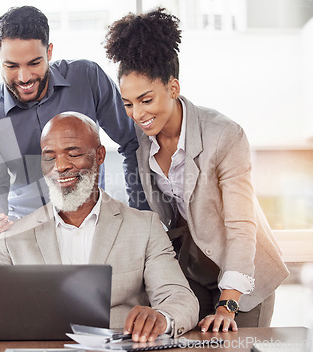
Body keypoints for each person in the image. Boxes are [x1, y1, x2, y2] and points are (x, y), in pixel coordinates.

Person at [103, 8, 288, 333]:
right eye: (128, 103)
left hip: (244, 278)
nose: (137, 113)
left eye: (146, 99)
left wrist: (227, 304)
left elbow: (241, 228)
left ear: (173, 87)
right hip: (191, 272)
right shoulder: (143, 137)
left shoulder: (225, 136)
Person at [0, 112, 199, 341]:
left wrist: (162, 318)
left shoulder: (144, 227)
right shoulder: (12, 236)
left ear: (99, 155)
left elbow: (180, 298)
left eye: (73, 154)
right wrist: (27, 319)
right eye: (49, 156)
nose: (61, 166)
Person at [0, 5, 148, 235]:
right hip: (29, 237)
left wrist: (139, 215)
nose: (24, 78)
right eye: (11, 66)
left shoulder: (87, 78)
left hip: (92, 229)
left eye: (34, 63)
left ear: (49, 52)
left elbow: (134, 143)